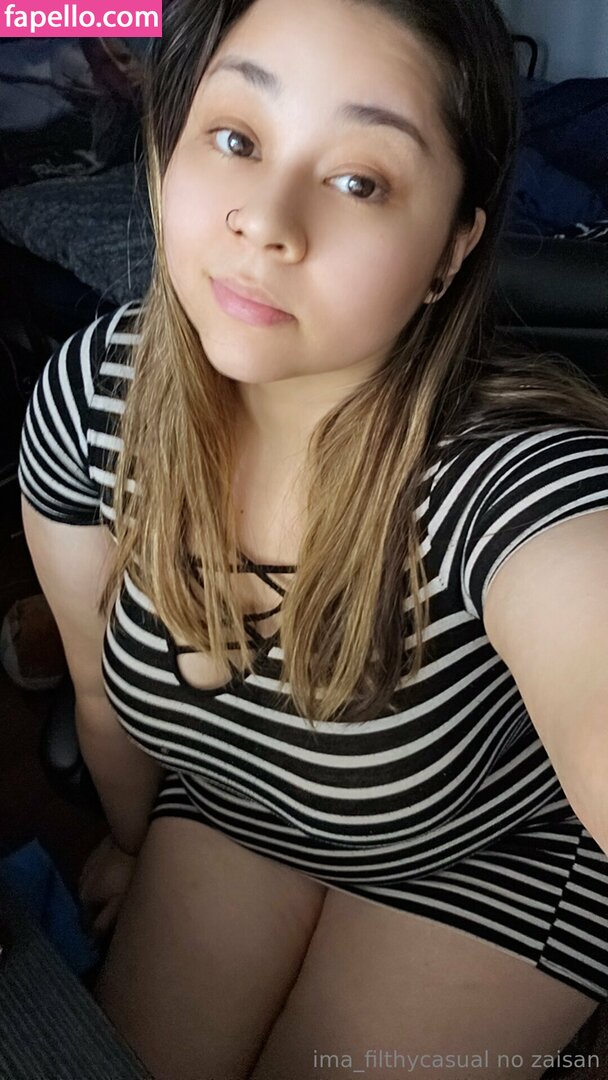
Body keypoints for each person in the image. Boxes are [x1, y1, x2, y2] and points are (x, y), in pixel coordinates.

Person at [17, 0, 608, 1077]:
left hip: (492, 854)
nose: (266, 221)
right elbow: (101, 695)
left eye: (360, 180)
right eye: (235, 137)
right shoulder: (91, 399)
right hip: (239, 809)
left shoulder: (508, 481)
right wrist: (132, 846)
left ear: (450, 249)